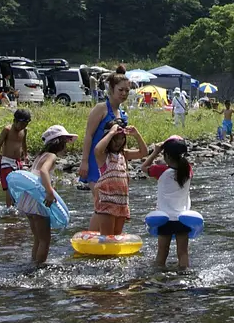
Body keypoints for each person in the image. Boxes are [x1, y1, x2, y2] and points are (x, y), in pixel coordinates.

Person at [19, 124, 77, 267]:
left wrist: (49, 186)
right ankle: (39, 269)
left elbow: (37, 174)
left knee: (38, 239)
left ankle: (33, 264)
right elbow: (44, 171)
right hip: (40, 200)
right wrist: (50, 191)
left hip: (28, 198)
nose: (66, 146)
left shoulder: (41, 155)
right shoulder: (51, 156)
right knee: (45, 240)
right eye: (65, 142)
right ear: (59, 142)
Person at [80, 68, 132, 229]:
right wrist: (84, 162)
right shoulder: (101, 109)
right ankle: (92, 240)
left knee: (108, 203)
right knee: (100, 201)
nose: (124, 93)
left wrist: (125, 168)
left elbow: (122, 143)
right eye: (120, 90)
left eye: (127, 91)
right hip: (96, 162)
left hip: (113, 165)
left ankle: (104, 240)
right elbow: (88, 135)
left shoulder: (123, 114)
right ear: (111, 89)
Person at [142, 136, 195, 272]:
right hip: (182, 218)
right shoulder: (188, 169)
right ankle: (184, 274)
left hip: (164, 218)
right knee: (183, 252)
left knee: (162, 251)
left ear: (166, 156)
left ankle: (159, 275)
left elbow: (144, 167)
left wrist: (155, 152)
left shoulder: (161, 171)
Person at [91, 122, 147, 235]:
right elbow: (97, 149)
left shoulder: (124, 154)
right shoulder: (104, 156)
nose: (119, 142)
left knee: (116, 236)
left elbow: (144, 152)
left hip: (121, 203)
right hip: (107, 202)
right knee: (107, 238)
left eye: (122, 138)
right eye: (115, 139)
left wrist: (137, 135)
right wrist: (111, 132)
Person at [0, 108, 31, 207]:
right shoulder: (7, 130)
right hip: (6, 161)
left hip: (17, 162)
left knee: (18, 185)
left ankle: (16, 205)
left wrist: (26, 155)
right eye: (21, 124)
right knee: (9, 186)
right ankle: (9, 208)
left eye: (25, 125)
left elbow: (24, 144)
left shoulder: (24, 131)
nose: (23, 127)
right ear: (15, 121)